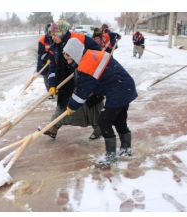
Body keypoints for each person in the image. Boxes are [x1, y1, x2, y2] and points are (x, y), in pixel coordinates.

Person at [63, 38, 138, 167]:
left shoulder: (86, 65)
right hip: (125, 86)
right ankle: (126, 149)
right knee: (119, 120)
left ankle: (111, 156)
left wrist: (71, 107)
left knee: (103, 121)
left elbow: (81, 93)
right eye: (65, 56)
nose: (67, 59)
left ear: (75, 53)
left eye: (69, 56)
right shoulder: (91, 54)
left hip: (119, 90)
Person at [44, 20, 104, 140]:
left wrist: (85, 65)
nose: (52, 37)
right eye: (51, 34)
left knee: (90, 104)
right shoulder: (55, 45)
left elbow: (98, 53)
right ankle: (53, 127)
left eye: (54, 34)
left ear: (61, 33)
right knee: (63, 103)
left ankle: (99, 127)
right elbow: (53, 66)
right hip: (65, 79)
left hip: (83, 76)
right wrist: (52, 84)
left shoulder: (80, 39)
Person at [37, 23, 53, 92]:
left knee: (53, 76)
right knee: (46, 76)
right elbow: (40, 53)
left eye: (51, 31)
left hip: (53, 61)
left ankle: (55, 89)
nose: (51, 33)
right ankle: (49, 92)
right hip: (45, 62)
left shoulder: (55, 37)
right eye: (49, 31)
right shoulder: (42, 40)